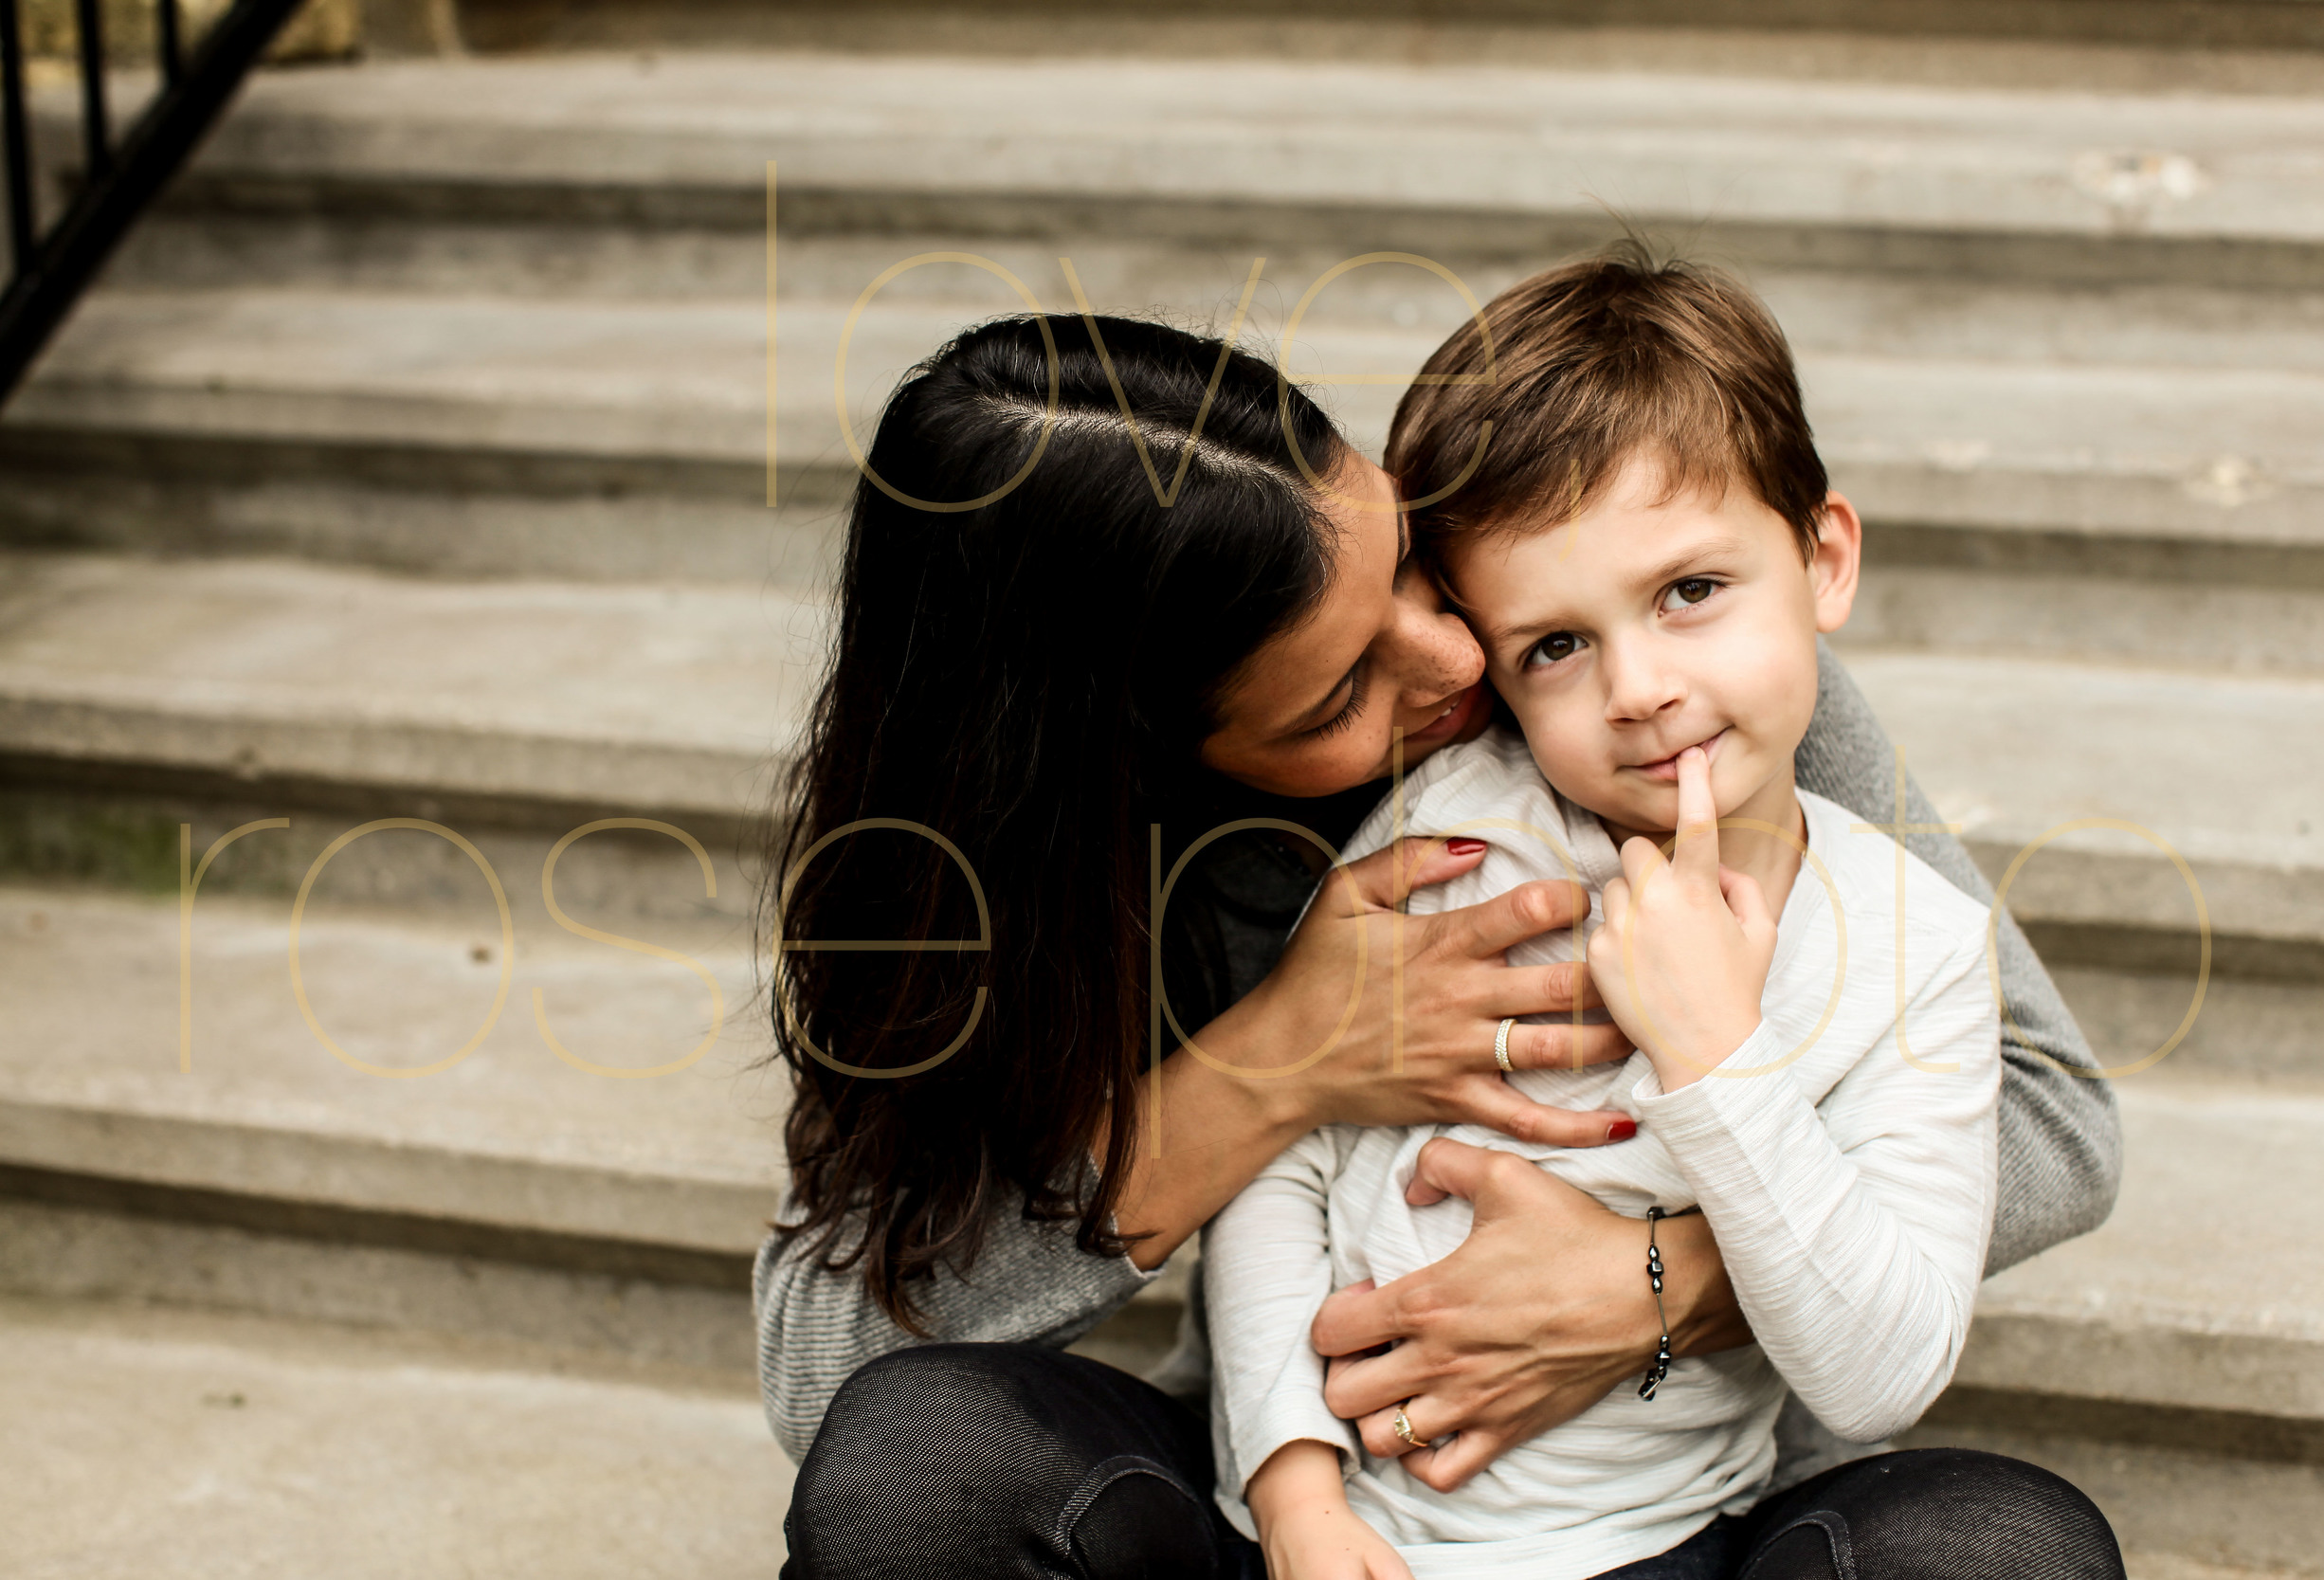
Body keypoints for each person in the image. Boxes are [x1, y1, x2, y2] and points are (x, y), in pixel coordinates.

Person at [758, 304, 2121, 1580]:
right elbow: (828, 1360)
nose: (1460, 661)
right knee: (916, 1468)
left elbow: (2051, 1119)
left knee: (1998, 1545)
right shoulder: (1019, 884)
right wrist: (1276, 1066)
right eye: (1343, 689)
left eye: (1413, 567)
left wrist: (1646, 1283)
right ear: (1147, 763)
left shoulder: (1667, 689)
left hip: (1679, 1502)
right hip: (1326, 1493)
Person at [1207, 252, 2111, 1580]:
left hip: (1650, 1544)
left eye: (1691, 592)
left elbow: (1884, 1372)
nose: (1639, 688)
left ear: (1824, 563)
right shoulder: (1456, 837)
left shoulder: (1913, 943)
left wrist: (1716, 1052)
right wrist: (1295, 1496)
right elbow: (1282, 1161)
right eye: (1556, 647)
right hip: (1328, 1535)